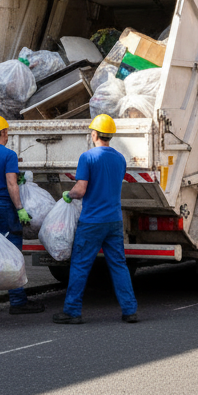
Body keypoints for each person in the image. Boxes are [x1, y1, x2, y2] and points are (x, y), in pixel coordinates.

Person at [52, 114, 139, 325]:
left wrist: (67, 194)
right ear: (110, 136)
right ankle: (130, 310)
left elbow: (81, 190)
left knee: (81, 265)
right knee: (119, 265)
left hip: (92, 221)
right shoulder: (120, 158)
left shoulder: (88, 157)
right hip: (114, 221)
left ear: (94, 134)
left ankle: (72, 311)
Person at [0, 115, 45, 316]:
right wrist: (20, 207)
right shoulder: (9, 155)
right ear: (4, 132)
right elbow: (11, 184)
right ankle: (17, 300)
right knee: (12, 253)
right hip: (5, 209)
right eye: (8, 133)